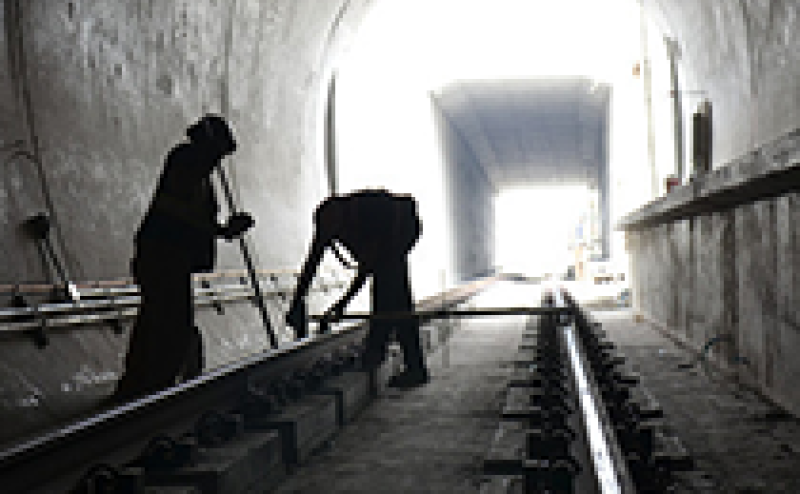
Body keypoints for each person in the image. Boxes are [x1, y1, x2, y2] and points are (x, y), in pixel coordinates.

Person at [111, 115, 254, 403]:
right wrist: (223, 229)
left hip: (173, 259)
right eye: (216, 155)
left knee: (160, 321)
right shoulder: (184, 162)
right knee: (168, 324)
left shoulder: (199, 176)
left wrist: (224, 230)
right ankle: (152, 389)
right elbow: (181, 215)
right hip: (162, 256)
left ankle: (144, 387)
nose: (217, 163)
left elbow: (196, 218)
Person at [285, 189, 428, 388]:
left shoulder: (369, 220)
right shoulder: (330, 221)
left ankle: (406, 365)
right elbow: (312, 261)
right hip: (388, 231)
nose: (334, 239)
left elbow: (367, 268)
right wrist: (297, 301)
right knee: (389, 296)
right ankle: (384, 354)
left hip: (403, 229)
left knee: (393, 296)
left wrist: (342, 303)